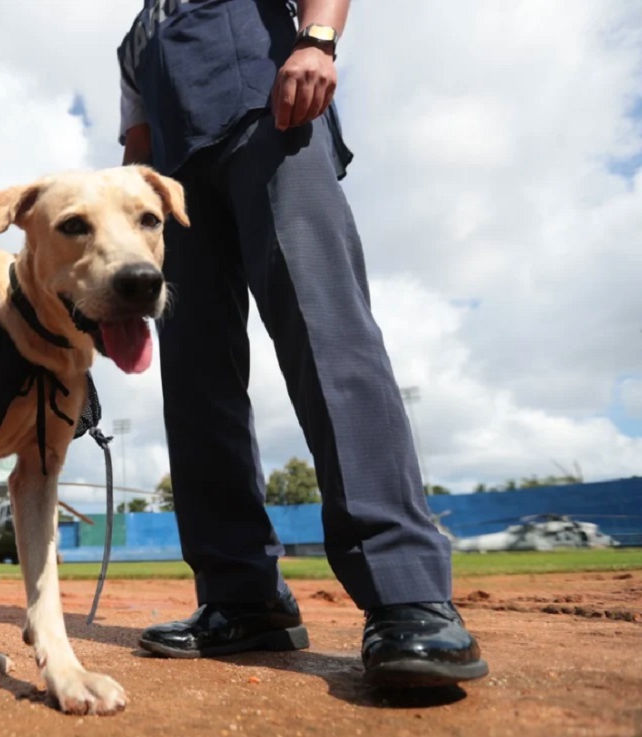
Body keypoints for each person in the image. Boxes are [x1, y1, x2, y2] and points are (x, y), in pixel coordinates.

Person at [116, 0, 488, 687]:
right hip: (174, 196)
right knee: (195, 385)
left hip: (270, 121)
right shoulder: (135, 41)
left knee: (324, 330)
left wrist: (318, 40)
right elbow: (136, 152)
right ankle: (242, 596)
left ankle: (406, 591)